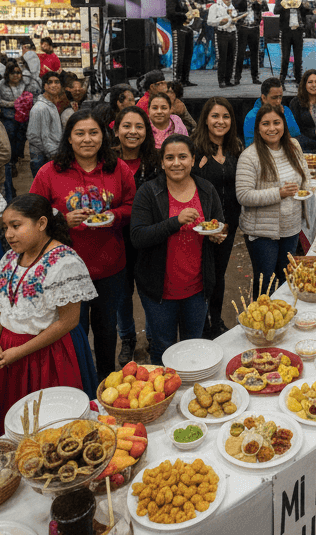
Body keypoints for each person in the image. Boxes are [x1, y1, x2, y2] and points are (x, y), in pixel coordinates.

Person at [31, 109, 136, 377]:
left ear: (104, 136)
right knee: (73, 331)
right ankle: (78, 381)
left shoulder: (118, 168)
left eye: (93, 132)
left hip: (110, 266)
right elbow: (33, 214)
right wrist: (62, 221)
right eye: (79, 133)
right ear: (69, 138)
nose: (87, 139)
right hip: (65, 270)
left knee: (106, 329)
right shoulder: (49, 172)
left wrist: (114, 215)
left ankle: (104, 380)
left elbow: (132, 206)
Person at [0, 193, 98, 432]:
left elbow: (69, 321)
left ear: (41, 223)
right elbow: (2, 303)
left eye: (16, 226)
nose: (9, 234)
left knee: (55, 427)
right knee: (22, 427)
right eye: (6, 227)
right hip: (11, 352)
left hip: (50, 354)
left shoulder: (64, 263)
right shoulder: (9, 258)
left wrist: (20, 351)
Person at [131, 135, 228, 362]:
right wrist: (175, 221)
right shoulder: (148, 192)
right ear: (162, 162)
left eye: (183, 157)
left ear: (193, 160)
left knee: (192, 347)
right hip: (159, 291)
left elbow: (219, 223)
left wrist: (217, 234)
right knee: (163, 348)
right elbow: (138, 236)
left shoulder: (206, 189)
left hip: (197, 288)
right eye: (170, 158)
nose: (177, 163)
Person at [235, 104, 310, 298]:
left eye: (277, 123)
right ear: (258, 128)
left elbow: (305, 177)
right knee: (266, 284)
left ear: (283, 124)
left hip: (291, 228)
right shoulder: (249, 156)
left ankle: (283, 323)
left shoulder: (294, 146)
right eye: (266, 124)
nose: (272, 128)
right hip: (262, 232)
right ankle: (262, 325)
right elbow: (243, 195)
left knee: (285, 280)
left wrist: (305, 191)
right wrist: (279, 193)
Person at [190, 98, 244, 338]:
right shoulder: (194, 149)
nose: (220, 121)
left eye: (225, 116)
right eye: (215, 116)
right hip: (201, 227)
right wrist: (197, 169)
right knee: (201, 276)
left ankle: (216, 322)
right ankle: (199, 324)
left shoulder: (236, 148)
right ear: (205, 119)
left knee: (219, 275)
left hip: (228, 226)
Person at [112, 105, 158, 365]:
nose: (133, 132)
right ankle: (127, 338)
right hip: (115, 238)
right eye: (126, 126)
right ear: (117, 130)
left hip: (149, 239)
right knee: (122, 295)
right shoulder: (105, 160)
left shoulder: (156, 160)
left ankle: (153, 336)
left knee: (150, 290)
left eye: (139, 126)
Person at [0, 65, 32, 200]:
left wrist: (25, 103)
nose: (16, 75)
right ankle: (10, 162)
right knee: (9, 141)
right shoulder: (0, 85)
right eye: (13, 73)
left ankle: (15, 160)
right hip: (8, 117)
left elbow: (30, 96)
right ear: (7, 74)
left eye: (18, 73)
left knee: (20, 141)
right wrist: (13, 104)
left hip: (22, 117)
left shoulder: (24, 84)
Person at [276, 0, 315, 84]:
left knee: (298, 58)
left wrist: (303, 5)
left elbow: (309, 11)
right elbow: (276, 10)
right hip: (286, 32)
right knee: (285, 57)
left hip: (298, 32)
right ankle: (282, 79)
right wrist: (285, 4)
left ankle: (298, 79)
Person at [27, 71, 65, 177]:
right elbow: (33, 136)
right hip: (42, 157)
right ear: (45, 86)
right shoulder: (40, 108)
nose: (53, 85)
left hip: (50, 154)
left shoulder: (51, 105)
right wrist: (52, 153)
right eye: (50, 82)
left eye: (57, 82)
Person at [243, 77, 302, 144]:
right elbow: (250, 145)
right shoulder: (252, 117)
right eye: (274, 98)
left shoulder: (286, 111)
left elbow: (296, 138)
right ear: (264, 98)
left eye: (280, 97)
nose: (278, 101)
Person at [232, 0, 268, 85]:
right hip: (241, 27)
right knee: (240, 53)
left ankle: (255, 77)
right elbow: (235, 5)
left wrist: (258, 3)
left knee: (255, 53)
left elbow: (265, 8)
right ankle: (237, 78)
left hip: (254, 27)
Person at [288, 69, 316, 154]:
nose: (314, 85)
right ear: (304, 84)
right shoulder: (295, 103)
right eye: (310, 82)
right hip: (304, 150)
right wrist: (315, 132)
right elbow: (295, 130)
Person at [166, 0, 197, 86]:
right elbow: (170, 13)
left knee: (188, 55)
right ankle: (177, 81)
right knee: (179, 56)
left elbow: (194, 13)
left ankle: (185, 79)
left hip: (189, 30)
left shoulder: (189, 0)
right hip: (178, 29)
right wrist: (184, 16)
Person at [207, 0, 239, 87]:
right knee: (222, 58)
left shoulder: (233, 7)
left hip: (233, 33)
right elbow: (209, 22)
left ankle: (228, 80)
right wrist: (220, 21)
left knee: (231, 58)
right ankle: (221, 81)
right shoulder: (215, 6)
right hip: (221, 33)